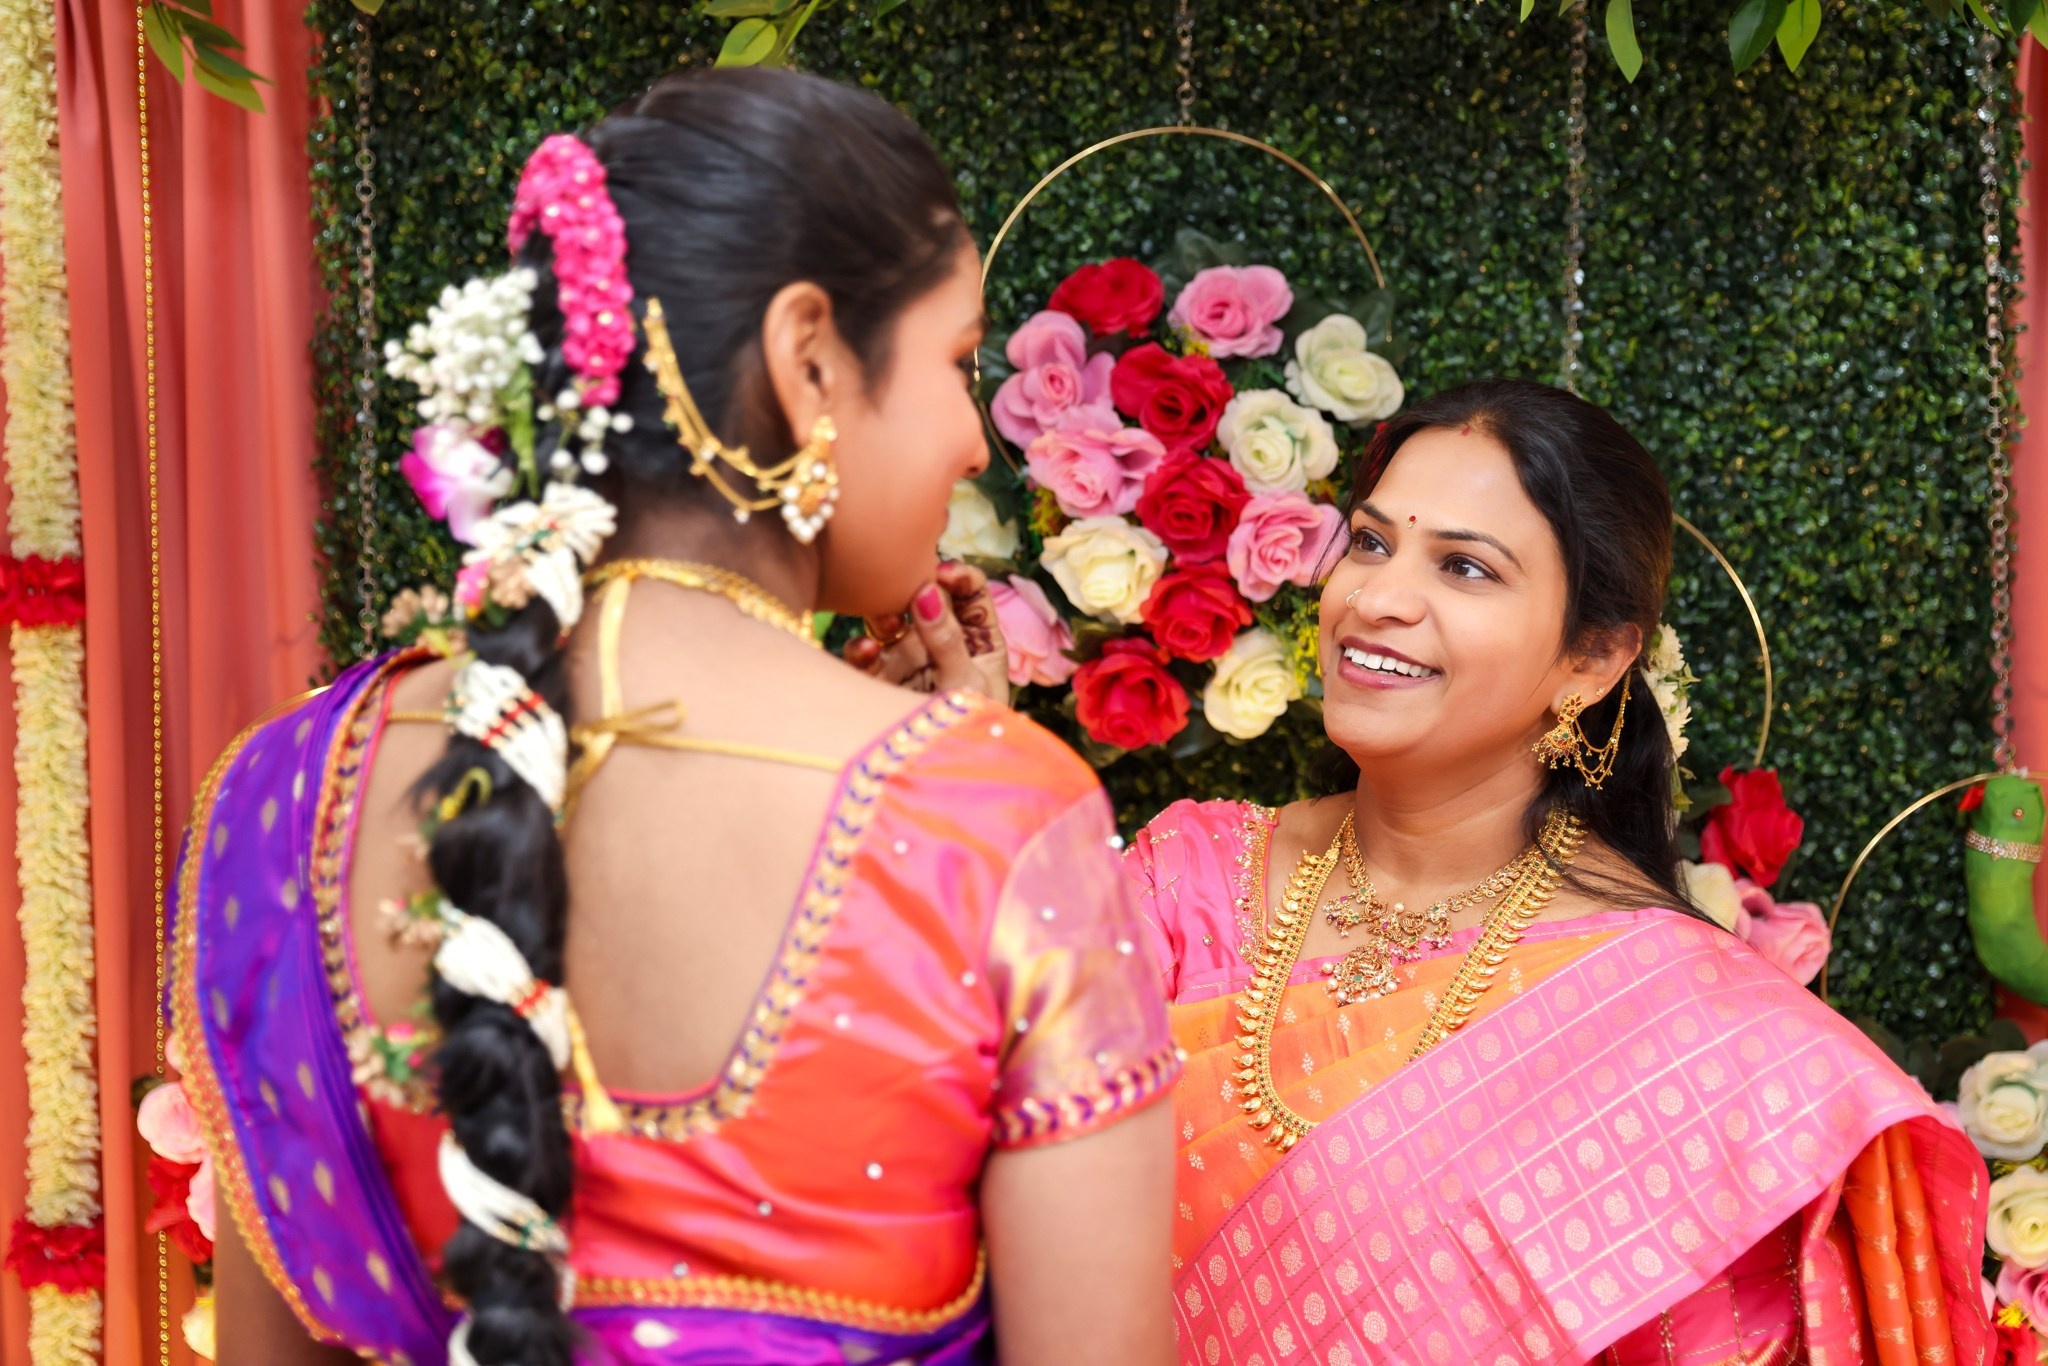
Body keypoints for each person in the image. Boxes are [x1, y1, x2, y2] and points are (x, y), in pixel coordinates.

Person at [170, 68, 1178, 1366]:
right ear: (807, 360)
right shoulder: (993, 817)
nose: (975, 440)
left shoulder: (287, 792)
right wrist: (956, 792)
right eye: (956, 360)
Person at [1114, 381, 1989, 1362]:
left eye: (1464, 567)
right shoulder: (1187, 882)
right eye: (1369, 542)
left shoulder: (1689, 1031)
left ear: (1593, 658)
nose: (1375, 598)